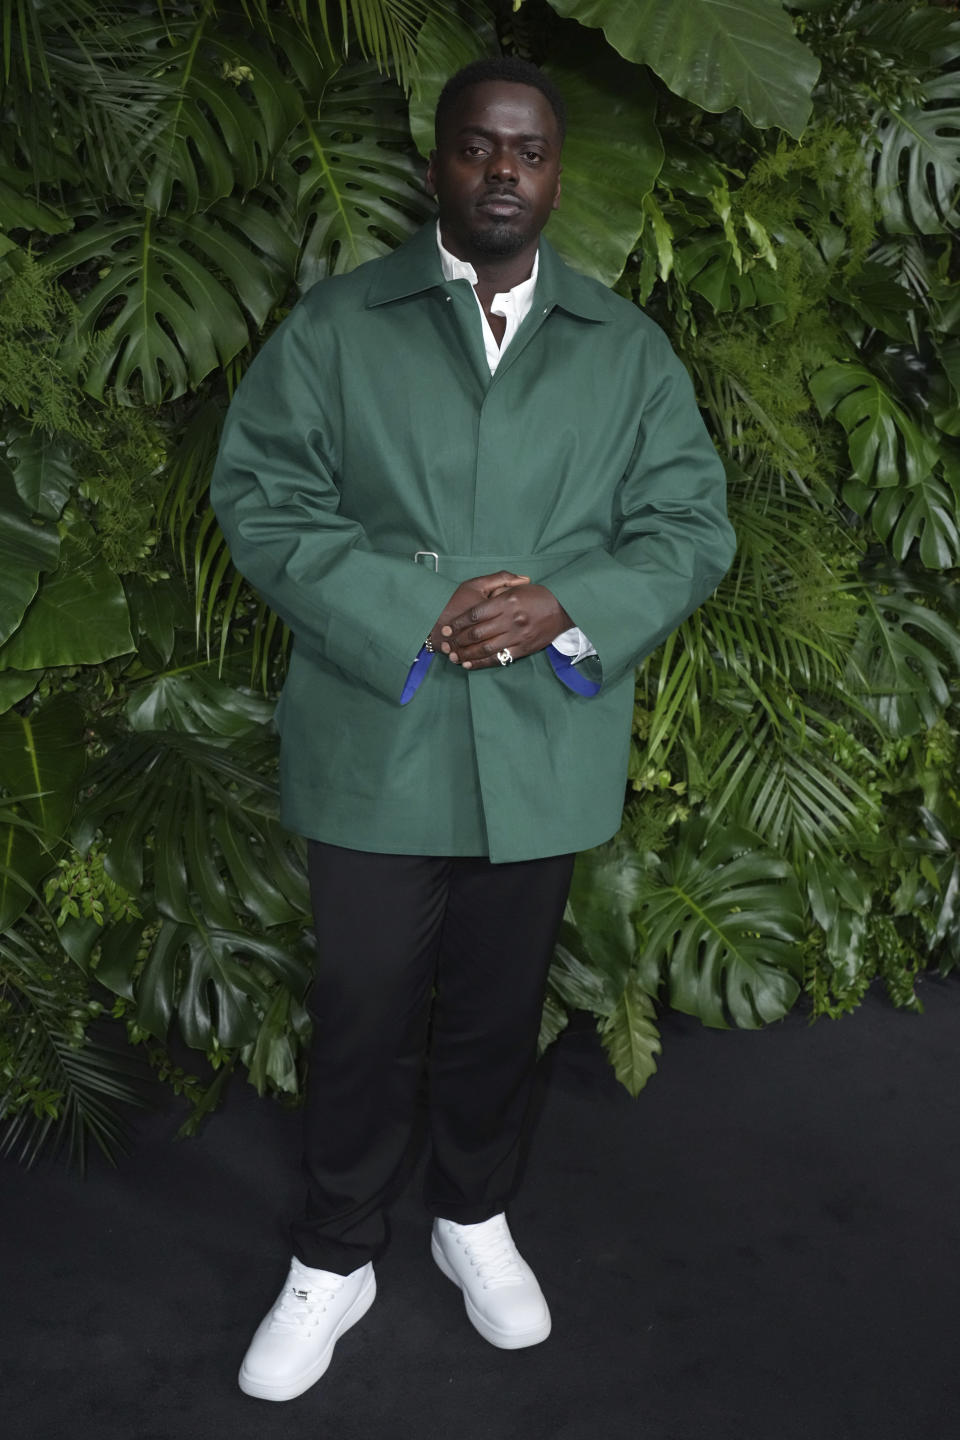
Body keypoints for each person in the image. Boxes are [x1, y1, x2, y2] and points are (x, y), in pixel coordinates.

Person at [210, 56, 736, 1402]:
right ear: (436, 164)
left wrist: (564, 599)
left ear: (559, 175)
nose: (504, 171)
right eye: (478, 148)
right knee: (363, 1004)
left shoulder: (625, 351)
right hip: (378, 736)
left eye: (531, 151)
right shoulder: (337, 328)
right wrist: (415, 607)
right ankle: (336, 1254)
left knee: (501, 1013)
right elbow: (263, 499)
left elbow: (689, 527)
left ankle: (471, 1218)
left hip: (542, 740)